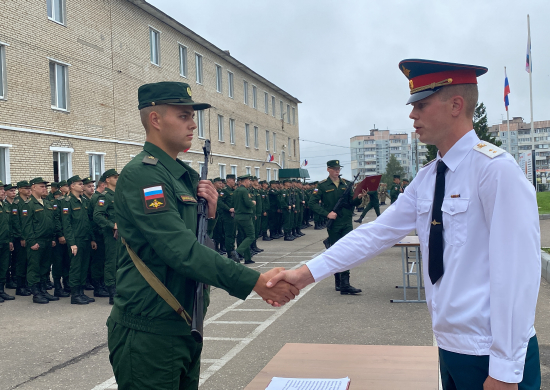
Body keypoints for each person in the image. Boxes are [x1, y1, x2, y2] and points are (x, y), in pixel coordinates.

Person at [267, 59, 541, 390]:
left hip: (492, 356)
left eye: (421, 104)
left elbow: (517, 272)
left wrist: (505, 370)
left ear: (456, 105)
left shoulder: (496, 171)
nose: (412, 114)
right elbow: (374, 234)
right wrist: (304, 274)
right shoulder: (428, 178)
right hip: (450, 346)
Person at [106, 81, 297, 390]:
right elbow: (179, 250)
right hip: (150, 330)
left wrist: (209, 213)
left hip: (183, 321)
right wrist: (255, 282)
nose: (193, 124)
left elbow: (192, 239)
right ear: (155, 120)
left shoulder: (183, 176)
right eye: (183, 116)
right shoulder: (145, 175)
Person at [308, 160, 363, 294]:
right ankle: (338, 280)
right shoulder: (321, 186)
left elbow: (351, 202)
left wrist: (359, 197)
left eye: (338, 168)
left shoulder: (345, 183)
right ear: (328, 170)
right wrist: (327, 214)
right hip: (334, 224)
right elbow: (312, 203)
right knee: (335, 252)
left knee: (347, 251)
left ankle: (345, 283)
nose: (337, 171)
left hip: (346, 222)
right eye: (334, 169)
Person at [20, 178, 59, 304]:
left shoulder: (47, 203)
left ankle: (43, 290)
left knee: (45, 267)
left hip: (47, 240)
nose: (44, 188)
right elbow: (26, 226)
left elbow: (51, 222)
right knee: (34, 267)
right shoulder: (28, 204)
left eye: (45, 186)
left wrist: (53, 238)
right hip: (36, 241)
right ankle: (36, 293)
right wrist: (31, 242)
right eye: (41, 186)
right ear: (33, 188)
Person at [62, 175, 97, 305]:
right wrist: (72, 243)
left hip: (86, 239)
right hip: (76, 240)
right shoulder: (67, 202)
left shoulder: (83, 200)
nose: (82, 186)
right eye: (80, 184)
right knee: (76, 267)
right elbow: (67, 224)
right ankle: (75, 294)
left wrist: (92, 239)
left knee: (84, 266)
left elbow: (88, 222)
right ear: (72, 186)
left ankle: (81, 292)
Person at [93, 169, 119, 304]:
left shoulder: (119, 195)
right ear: (107, 180)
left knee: (120, 261)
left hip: (123, 234)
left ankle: (120, 288)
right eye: (115, 177)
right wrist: (112, 225)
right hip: (111, 235)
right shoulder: (104, 197)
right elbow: (97, 215)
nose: (117, 179)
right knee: (111, 262)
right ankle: (112, 292)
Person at [234, 174, 257, 263]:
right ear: (245, 181)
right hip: (245, 216)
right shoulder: (244, 190)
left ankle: (247, 258)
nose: (250, 182)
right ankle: (238, 251)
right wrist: (253, 203)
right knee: (251, 236)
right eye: (249, 181)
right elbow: (247, 203)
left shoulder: (236, 190)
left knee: (244, 237)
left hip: (238, 216)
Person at [0, 181, 15, 302]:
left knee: (3, 267)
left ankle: (1, 290)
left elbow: (8, 225)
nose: (3, 192)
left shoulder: (4, 206)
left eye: (3, 190)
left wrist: (10, 241)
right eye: (0, 190)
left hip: (5, 241)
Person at [3, 183, 18, 289]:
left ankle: (13, 278)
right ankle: (8, 280)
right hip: (6, 236)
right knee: (6, 261)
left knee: (13, 260)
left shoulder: (14, 204)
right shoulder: (6, 205)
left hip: (12, 235)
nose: (14, 193)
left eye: (14, 191)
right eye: (11, 191)